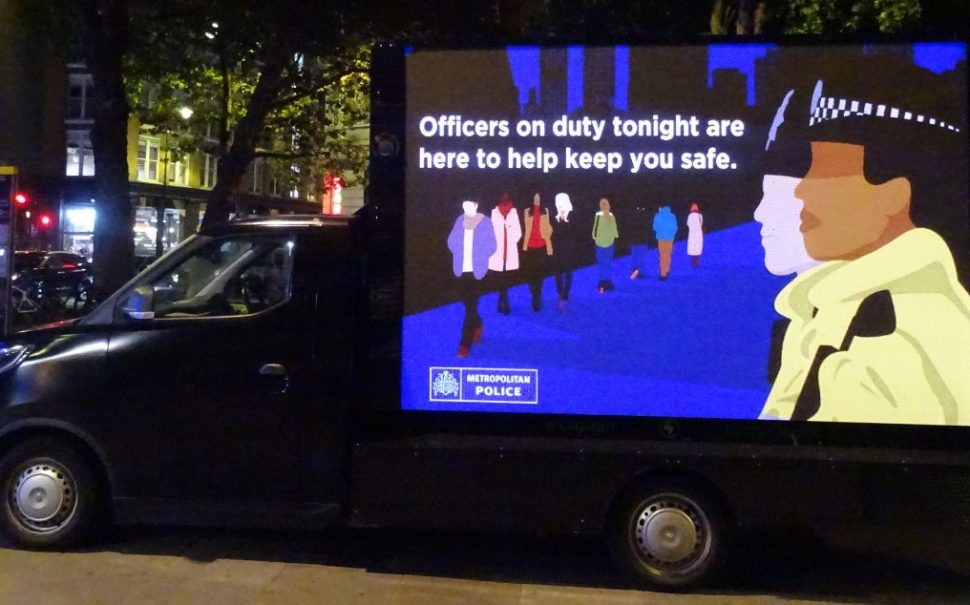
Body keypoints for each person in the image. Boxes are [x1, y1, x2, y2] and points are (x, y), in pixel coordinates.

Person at [760, 77, 970, 425]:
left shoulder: (886, 334)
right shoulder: (837, 307)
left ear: (893, 196)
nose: (801, 194)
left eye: (823, 173)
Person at [447, 200, 497, 358]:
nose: (466, 208)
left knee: (470, 307)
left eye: (469, 205)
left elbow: (492, 245)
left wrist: (481, 254)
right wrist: (458, 247)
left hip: (477, 271)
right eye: (464, 205)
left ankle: (464, 344)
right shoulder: (460, 220)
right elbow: (451, 241)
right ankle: (478, 325)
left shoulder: (485, 222)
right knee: (468, 304)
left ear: (476, 205)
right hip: (461, 270)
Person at [488, 193, 522, 315]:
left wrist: (510, 240)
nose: (504, 198)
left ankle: (502, 301)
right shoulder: (494, 212)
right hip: (498, 252)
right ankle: (504, 302)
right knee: (500, 279)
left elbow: (518, 232)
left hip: (509, 251)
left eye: (506, 196)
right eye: (502, 196)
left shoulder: (513, 212)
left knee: (506, 279)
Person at [522, 193, 554, 311]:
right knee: (533, 275)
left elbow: (547, 230)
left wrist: (548, 247)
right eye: (535, 199)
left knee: (537, 275)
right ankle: (536, 296)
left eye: (538, 199)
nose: (536, 201)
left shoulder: (544, 212)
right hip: (532, 247)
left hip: (539, 247)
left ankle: (537, 297)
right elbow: (527, 230)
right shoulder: (528, 212)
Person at [551, 193, 579, 310]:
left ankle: (565, 295)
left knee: (567, 273)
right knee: (558, 273)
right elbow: (552, 234)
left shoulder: (571, 219)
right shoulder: (554, 219)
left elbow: (574, 234)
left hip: (567, 250)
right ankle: (561, 294)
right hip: (558, 250)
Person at [592, 197, 619, 293]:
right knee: (608, 262)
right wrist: (615, 236)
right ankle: (608, 281)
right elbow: (614, 228)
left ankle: (602, 281)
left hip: (599, 242)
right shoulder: (610, 215)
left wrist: (595, 237)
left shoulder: (598, 215)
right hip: (609, 242)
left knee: (601, 262)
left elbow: (595, 228)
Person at [652, 206, 677, 280]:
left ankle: (663, 273)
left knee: (662, 255)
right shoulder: (672, 216)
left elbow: (654, 227)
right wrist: (672, 233)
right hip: (670, 238)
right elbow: (675, 227)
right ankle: (667, 270)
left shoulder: (658, 215)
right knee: (668, 255)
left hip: (661, 238)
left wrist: (659, 231)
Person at [686, 203, 703, 268]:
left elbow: (688, 224)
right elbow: (701, 224)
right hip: (698, 234)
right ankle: (696, 263)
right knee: (697, 249)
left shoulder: (689, 216)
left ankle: (693, 263)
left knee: (692, 249)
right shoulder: (700, 215)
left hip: (692, 234)